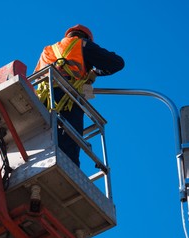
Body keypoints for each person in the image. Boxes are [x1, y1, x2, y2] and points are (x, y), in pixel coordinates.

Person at [34, 24, 124, 167]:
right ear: (86, 37)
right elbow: (117, 63)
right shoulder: (82, 44)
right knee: (70, 141)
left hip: (43, 100)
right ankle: (67, 171)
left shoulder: (47, 50)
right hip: (67, 97)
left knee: (42, 141)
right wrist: (94, 73)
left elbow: (36, 77)